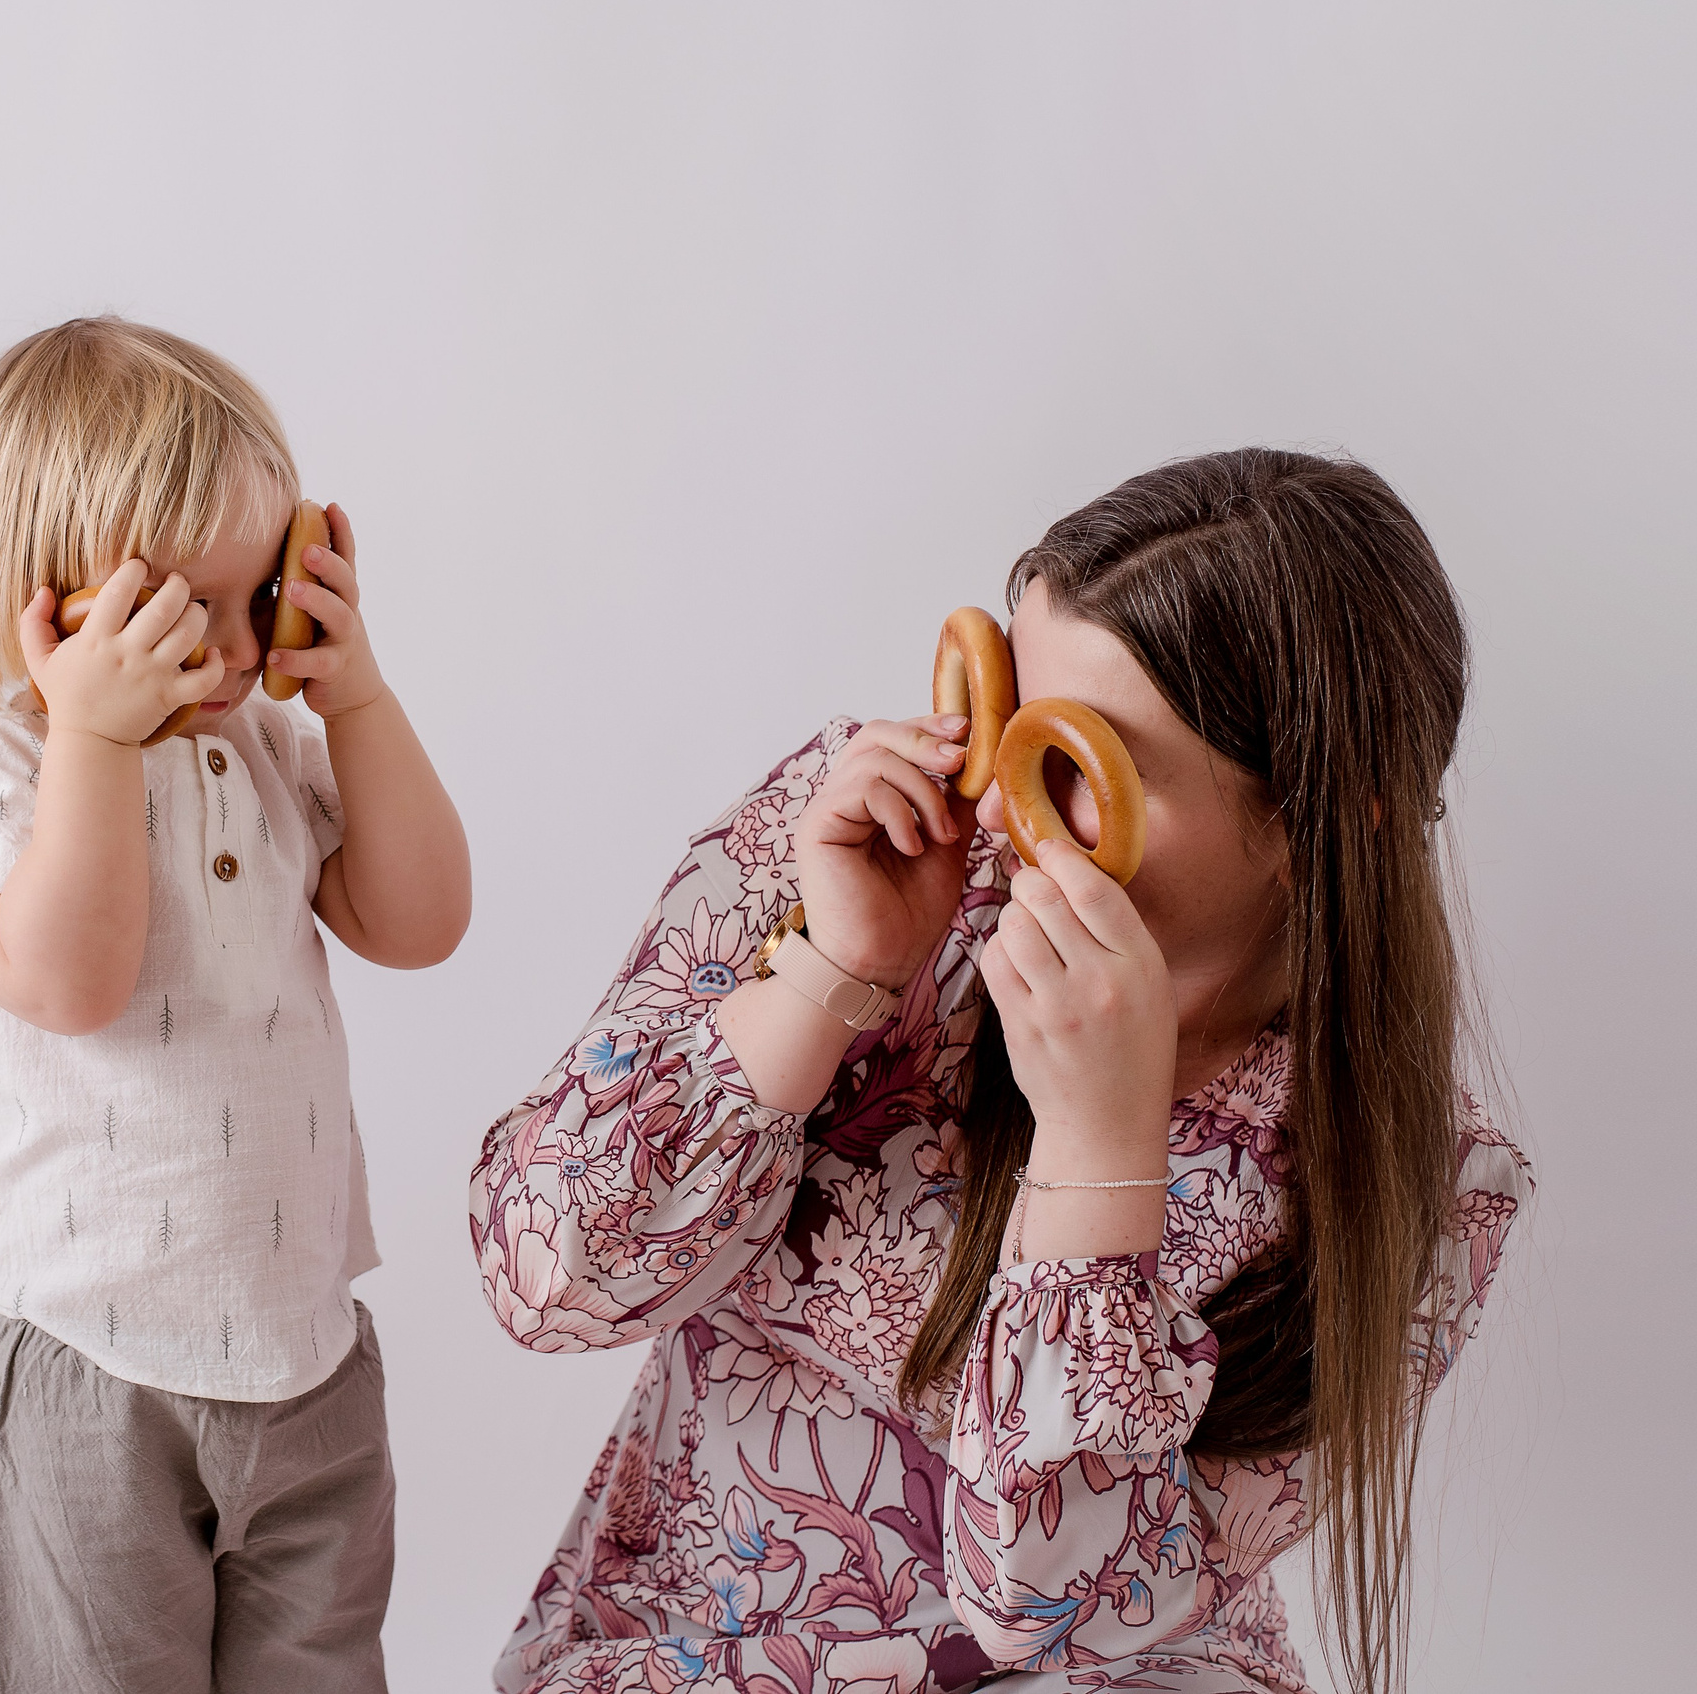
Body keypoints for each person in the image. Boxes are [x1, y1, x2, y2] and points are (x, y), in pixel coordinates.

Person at [470, 450, 1527, 1694]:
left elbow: (1051, 1608)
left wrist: (1097, 1152)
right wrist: (830, 973)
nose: (996, 805)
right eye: (1005, 720)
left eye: (1076, 768)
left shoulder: (1418, 1177)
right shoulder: (847, 842)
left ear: (1322, 818)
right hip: (688, 1652)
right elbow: (546, 1279)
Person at [0, 316, 469, 1693]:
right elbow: (74, 980)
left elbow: (421, 920)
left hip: (306, 1350)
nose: (224, 650)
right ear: (43, 606)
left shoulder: (270, 748)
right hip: (96, 1367)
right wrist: (91, 734)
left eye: (254, 592)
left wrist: (360, 695)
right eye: (173, 610)